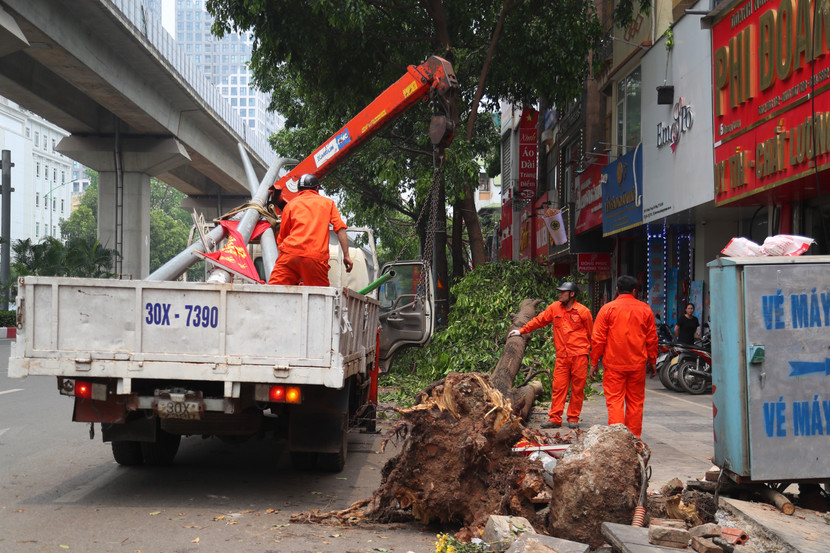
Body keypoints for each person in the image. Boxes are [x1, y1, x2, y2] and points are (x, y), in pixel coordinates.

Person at [508, 281, 593, 429]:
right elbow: (539, 321)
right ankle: (555, 418)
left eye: (563, 292)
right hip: (562, 357)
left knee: (578, 389)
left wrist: (594, 358)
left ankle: (573, 418)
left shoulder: (583, 311)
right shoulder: (554, 308)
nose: (559, 294)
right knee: (558, 388)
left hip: (579, 356)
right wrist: (522, 331)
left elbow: (592, 335)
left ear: (572, 294)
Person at [589, 275, 658, 438]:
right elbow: (652, 338)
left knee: (615, 402)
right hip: (637, 365)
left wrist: (593, 363)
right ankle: (634, 440)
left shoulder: (607, 309)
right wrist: (653, 361)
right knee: (635, 403)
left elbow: (598, 339)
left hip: (614, 365)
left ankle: (617, 439)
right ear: (635, 291)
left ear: (617, 290)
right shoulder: (645, 309)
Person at [269, 174, 353, 286]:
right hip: (314, 257)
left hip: (289, 255)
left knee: (274, 292)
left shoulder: (290, 205)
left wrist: (282, 257)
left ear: (298, 189)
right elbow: (340, 229)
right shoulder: (328, 204)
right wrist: (346, 256)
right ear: (317, 188)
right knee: (319, 298)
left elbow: (282, 237)